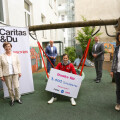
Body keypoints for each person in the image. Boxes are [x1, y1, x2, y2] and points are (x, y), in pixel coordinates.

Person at [0, 42, 22, 106]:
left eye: (9, 46)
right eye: (6, 46)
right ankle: (12, 99)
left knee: (16, 87)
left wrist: (19, 72)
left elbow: (18, 64)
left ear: (11, 47)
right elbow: (0, 66)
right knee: (9, 88)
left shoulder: (15, 55)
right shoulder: (1, 56)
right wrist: (1, 76)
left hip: (15, 73)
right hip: (6, 74)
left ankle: (18, 98)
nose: (8, 48)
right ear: (4, 48)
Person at [110, 32, 120, 111]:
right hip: (117, 71)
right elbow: (114, 61)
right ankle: (118, 103)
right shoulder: (117, 48)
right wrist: (112, 71)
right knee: (118, 88)